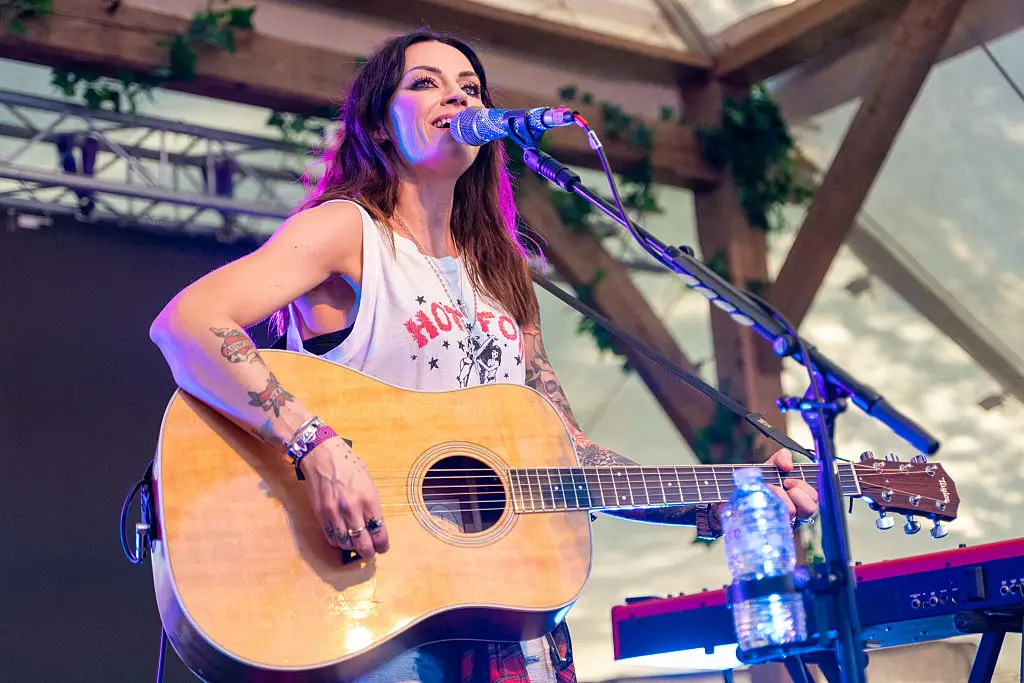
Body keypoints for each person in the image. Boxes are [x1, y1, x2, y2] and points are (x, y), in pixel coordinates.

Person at [149, 31, 818, 683]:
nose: (457, 97)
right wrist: (316, 446)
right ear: (379, 126)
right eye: (425, 83)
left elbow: (568, 455)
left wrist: (714, 496)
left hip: (491, 600)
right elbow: (188, 323)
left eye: (471, 88)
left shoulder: (504, 273)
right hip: (368, 592)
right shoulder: (347, 231)